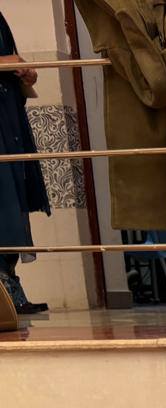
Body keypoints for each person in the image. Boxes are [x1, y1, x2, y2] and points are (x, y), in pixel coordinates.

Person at [0, 11, 51, 315]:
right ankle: (6, 293)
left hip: (8, 118)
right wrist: (8, 62)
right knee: (4, 197)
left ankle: (9, 288)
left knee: (13, 200)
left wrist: (24, 74)